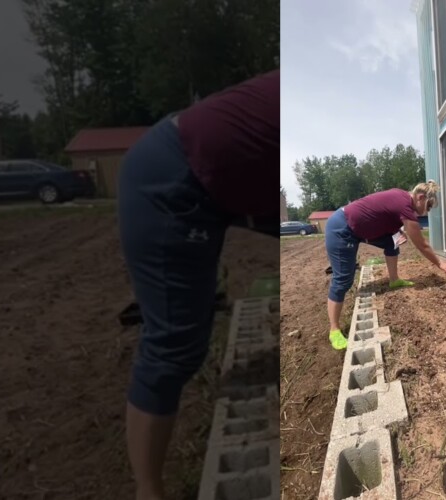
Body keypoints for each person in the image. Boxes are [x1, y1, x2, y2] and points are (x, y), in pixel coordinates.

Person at [117, 71, 279, 500]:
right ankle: (147, 490)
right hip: (174, 179)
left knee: (189, 317)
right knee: (175, 344)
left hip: (211, 179)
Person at [325, 181, 446, 349]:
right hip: (342, 228)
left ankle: (394, 279)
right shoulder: (405, 207)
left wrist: (397, 231)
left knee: (393, 241)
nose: (427, 211)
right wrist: (439, 263)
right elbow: (421, 245)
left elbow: (383, 215)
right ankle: (334, 330)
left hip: (359, 229)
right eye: (428, 206)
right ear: (420, 197)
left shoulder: (402, 198)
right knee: (343, 279)